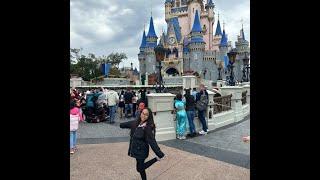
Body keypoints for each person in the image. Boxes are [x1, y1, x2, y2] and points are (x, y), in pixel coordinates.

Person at [120, 108, 165, 180]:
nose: (143, 116)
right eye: (143, 113)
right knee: (141, 169)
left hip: (142, 152)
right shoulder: (136, 122)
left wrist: (159, 153)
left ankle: (156, 159)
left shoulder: (148, 128)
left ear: (149, 117)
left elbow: (152, 142)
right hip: (135, 150)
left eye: (146, 115)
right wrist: (121, 125)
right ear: (140, 113)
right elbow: (126, 124)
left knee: (139, 169)